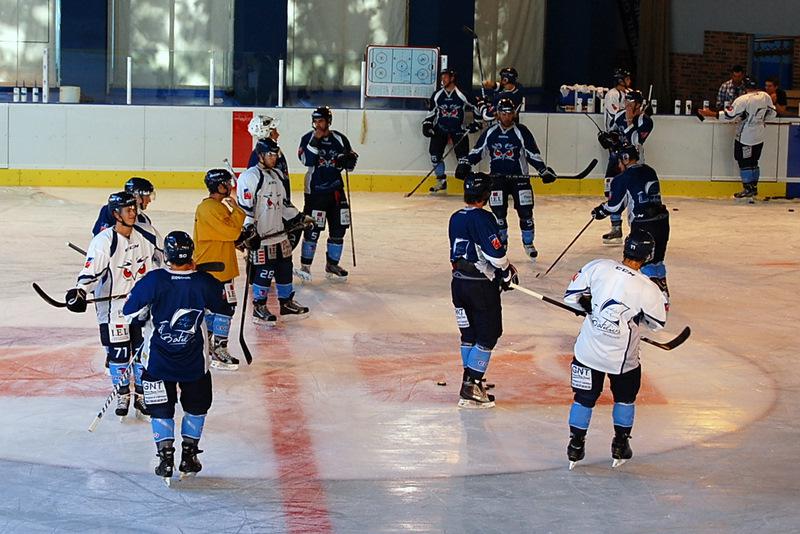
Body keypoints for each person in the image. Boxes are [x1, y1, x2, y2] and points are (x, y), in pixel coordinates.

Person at [122, 231, 233, 484]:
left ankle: (165, 458)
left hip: (157, 363)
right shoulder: (205, 282)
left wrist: (145, 313)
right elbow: (225, 308)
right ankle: (189, 456)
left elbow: (130, 313)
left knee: (160, 409)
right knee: (196, 406)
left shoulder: (153, 281)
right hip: (195, 363)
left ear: (167, 256)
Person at [562, 229, 668, 469]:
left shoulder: (598, 266)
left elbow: (571, 297)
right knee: (625, 398)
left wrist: (588, 305)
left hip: (587, 353)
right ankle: (620, 444)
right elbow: (657, 324)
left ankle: (575, 445)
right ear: (648, 255)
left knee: (583, 399)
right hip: (622, 359)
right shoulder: (649, 288)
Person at [65, 191, 161, 419]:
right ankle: (122, 393)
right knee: (119, 355)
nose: (133, 213)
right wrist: (80, 291)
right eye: (128, 210)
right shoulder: (103, 241)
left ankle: (141, 394)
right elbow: (91, 273)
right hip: (113, 312)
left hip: (143, 308)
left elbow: (166, 260)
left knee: (143, 353)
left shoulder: (147, 235)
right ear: (116, 214)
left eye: (134, 208)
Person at [448, 173, 518, 408]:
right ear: (486, 195)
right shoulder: (484, 218)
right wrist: (506, 272)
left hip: (458, 285)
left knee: (469, 334)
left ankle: (470, 380)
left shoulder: (456, 217)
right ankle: (471, 384)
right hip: (479, 286)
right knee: (488, 334)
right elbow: (495, 254)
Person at [456, 98, 557, 260]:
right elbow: (478, 151)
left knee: (526, 212)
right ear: (498, 114)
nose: (507, 117)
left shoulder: (521, 131)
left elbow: (532, 153)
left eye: (510, 113)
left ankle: (528, 243)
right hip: (497, 179)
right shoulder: (491, 132)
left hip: (520, 178)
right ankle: (502, 242)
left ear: (514, 114)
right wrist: (466, 163)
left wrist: (542, 169)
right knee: (499, 214)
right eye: (503, 113)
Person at [238, 139, 312, 324]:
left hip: (279, 234)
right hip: (262, 237)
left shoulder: (278, 174)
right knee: (264, 270)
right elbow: (245, 210)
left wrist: (299, 217)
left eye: (275, 154)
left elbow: (284, 205)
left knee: (285, 267)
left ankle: (286, 303)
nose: (274, 158)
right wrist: (248, 231)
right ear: (260, 155)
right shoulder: (249, 177)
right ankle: (259, 306)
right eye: (270, 154)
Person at [590, 144, 670, 300]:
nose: (618, 165)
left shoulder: (621, 179)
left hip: (643, 224)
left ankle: (648, 299)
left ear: (625, 160)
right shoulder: (650, 170)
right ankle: (662, 296)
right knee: (657, 260)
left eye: (619, 161)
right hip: (662, 221)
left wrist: (600, 211)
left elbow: (615, 207)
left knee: (638, 261)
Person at [296, 106, 358, 281]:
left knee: (339, 228)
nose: (318, 124)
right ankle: (305, 266)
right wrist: (316, 140)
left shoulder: (339, 138)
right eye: (315, 121)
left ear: (328, 121)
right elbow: (306, 160)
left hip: (336, 191)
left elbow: (349, 165)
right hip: (316, 192)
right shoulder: (307, 138)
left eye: (321, 121)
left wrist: (348, 161)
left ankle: (332, 264)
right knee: (313, 229)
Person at [193, 168, 246, 370]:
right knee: (223, 307)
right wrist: (238, 212)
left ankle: (209, 345)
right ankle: (217, 348)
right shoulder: (209, 208)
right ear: (218, 185)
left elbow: (230, 234)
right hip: (213, 268)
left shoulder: (217, 206)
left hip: (222, 266)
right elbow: (232, 232)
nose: (230, 186)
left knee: (218, 307)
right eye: (227, 183)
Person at [700, 76, 777, 199]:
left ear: (744, 86)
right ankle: (754, 187)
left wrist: (710, 113)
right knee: (754, 161)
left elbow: (729, 115)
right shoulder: (765, 96)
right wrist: (760, 120)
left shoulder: (742, 100)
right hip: (759, 134)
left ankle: (747, 188)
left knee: (743, 161)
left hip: (746, 136)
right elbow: (773, 113)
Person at [597, 89, 654, 244]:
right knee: (612, 190)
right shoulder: (619, 115)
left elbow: (635, 142)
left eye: (631, 102)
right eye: (626, 101)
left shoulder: (645, 121)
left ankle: (637, 230)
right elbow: (614, 133)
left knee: (633, 195)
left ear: (639, 105)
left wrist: (629, 121)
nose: (627, 105)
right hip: (617, 159)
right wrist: (608, 138)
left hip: (634, 162)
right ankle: (616, 228)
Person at [422, 68, 481, 193]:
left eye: (445, 77)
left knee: (463, 159)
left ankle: (468, 184)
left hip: (458, 130)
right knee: (434, 155)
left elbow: (476, 106)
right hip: (440, 129)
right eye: (442, 77)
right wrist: (427, 124)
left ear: (452, 78)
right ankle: (441, 181)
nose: (443, 79)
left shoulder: (461, 94)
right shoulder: (437, 95)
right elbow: (431, 112)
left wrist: (477, 122)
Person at [92, 177, 158, 237]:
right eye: (147, 196)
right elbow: (100, 237)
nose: (149, 200)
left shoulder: (144, 220)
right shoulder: (110, 211)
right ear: (136, 196)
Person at [247, 115, 292, 200]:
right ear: (267, 133)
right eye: (275, 131)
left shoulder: (273, 152)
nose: (278, 135)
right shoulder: (258, 157)